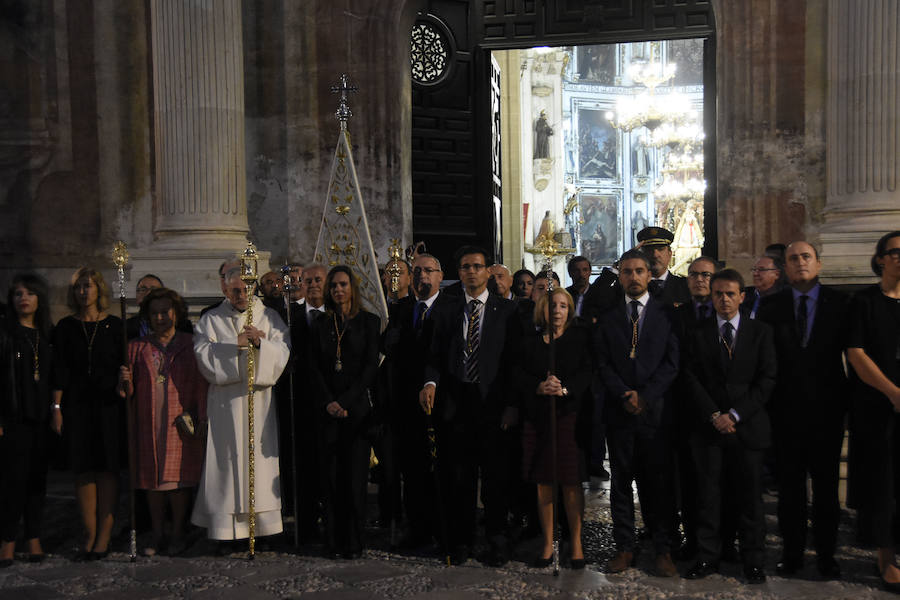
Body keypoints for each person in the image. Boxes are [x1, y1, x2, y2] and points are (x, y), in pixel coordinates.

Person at [419, 245, 521, 567]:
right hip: (457, 404)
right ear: (459, 273)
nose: (472, 272)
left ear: (487, 272)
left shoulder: (506, 311)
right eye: (466, 267)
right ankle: (461, 540)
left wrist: (512, 405)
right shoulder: (447, 310)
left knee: (494, 480)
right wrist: (430, 382)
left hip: (492, 405)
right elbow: (434, 354)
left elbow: (513, 365)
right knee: (459, 478)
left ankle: (496, 540)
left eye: (478, 266)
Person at [757, 241, 848, 579]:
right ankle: (792, 554)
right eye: (793, 259)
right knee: (790, 490)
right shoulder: (771, 306)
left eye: (805, 257)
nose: (800, 263)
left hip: (828, 410)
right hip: (785, 412)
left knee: (826, 490)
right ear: (786, 268)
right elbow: (766, 360)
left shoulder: (841, 303)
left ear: (818, 264)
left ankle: (827, 555)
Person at [682, 269, 776, 584]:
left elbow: (767, 379)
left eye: (730, 293)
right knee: (708, 497)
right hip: (708, 429)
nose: (724, 299)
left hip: (747, 428)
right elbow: (690, 376)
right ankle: (708, 557)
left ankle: (753, 561)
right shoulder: (697, 332)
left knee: (749, 499)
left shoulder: (760, 332)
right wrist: (714, 414)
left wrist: (735, 415)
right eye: (719, 293)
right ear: (712, 296)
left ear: (741, 296)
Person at [593, 249, 680, 577]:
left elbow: (672, 362)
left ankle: (663, 548)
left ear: (648, 275)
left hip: (655, 413)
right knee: (620, 485)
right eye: (626, 271)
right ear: (620, 274)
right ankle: (625, 547)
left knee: (657, 485)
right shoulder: (609, 315)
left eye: (639, 271)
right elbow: (602, 362)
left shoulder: (666, 314)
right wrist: (623, 393)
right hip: (619, 413)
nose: (633, 277)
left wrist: (645, 395)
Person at [191, 263, 290, 542]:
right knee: (225, 463)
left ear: (254, 286)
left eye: (246, 288)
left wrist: (261, 346)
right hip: (225, 404)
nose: (241, 294)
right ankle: (225, 532)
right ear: (224, 288)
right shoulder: (211, 319)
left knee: (260, 464)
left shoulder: (269, 317)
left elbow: (282, 352)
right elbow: (204, 357)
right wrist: (236, 343)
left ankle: (264, 531)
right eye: (234, 289)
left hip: (259, 403)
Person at [119, 288, 208, 556]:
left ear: (176, 313)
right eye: (154, 313)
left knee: (177, 480)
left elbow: (201, 384)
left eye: (165, 312)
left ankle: (179, 531)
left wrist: (201, 416)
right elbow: (127, 393)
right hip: (148, 421)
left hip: (180, 421)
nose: (160, 317)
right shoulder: (137, 347)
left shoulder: (191, 344)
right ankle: (157, 533)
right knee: (153, 481)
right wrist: (124, 381)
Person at [513, 287, 592, 569]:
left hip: (568, 417)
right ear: (542, 310)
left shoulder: (579, 339)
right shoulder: (530, 343)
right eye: (551, 306)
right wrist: (539, 385)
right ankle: (548, 543)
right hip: (539, 418)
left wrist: (565, 388)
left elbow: (587, 372)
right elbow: (518, 374)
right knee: (544, 482)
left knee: (571, 482)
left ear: (569, 310)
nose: (557, 311)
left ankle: (577, 544)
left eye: (562, 306)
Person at [51, 267, 125, 560]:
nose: (84, 292)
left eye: (89, 286)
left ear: (99, 290)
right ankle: (90, 533)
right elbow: (59, 371)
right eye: (80, 287)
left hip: (108, 405)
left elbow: (123, 364)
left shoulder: (115, 325)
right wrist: (56, 408)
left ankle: (105, 537)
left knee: (107, 470)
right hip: (77, 405)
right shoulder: (66, 327)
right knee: (83, 470)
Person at [309, 265, 381, 558]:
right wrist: (329, 402)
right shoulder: (319, 324)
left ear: (353, 287)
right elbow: (313, 368)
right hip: (327, 412)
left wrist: (346, 402)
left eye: (343, 284)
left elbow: (369, 368)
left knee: (354, 480)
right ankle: (332, 540)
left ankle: (353, 541)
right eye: (334, 286)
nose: (338, 290)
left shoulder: (369, 322)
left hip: (356, 412)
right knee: (331, 480)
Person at [382, 253, 450, 549]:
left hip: (443, 402)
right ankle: (417, 528)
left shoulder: (451, 308)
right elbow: (388, 353)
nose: (423, 276)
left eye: (429, 271)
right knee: (412, 469)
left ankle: (444, 527)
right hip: (407, 403)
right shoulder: (401, 309)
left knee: (443, 469)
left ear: (439, 275)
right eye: (418, 271)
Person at [845, 231, 900, 591]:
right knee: (885, 483)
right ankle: (886, 557)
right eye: (895, 252)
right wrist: (894, 393)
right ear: (880, 258)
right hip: (879, 405)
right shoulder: (864, 301)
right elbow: (856, 353)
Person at [0, 274, 53, 565]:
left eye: (30, 293)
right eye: (18, 293)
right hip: (14, 418)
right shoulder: (5, 333)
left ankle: (33, 536)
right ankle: (7, 538)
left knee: (37, 481)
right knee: (12, 482)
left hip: (41, 419)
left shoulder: (46, 334)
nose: (24, 298)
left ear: (38, 299)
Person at [670, 256, 719, 560]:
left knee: (719, 482)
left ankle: (723, 542)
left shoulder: (727, 313)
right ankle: (692, 539)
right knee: (688, 481)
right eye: (694, 275)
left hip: (721, 410)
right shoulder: (676, 315)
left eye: (706, 275)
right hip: (685, 410)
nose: (700, 280)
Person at [127, 274, 193, 340]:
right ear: (136, 295)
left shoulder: (184, 325)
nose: (148, 293)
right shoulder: (126, 326)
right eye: (143, 289)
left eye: (154, 289)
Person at [636, 226, 690, 306]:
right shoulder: (634, 285)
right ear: (641, 255)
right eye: (650, 250)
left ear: (670, 254)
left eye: (660, 249)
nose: (655, 255)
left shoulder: (686, 286)